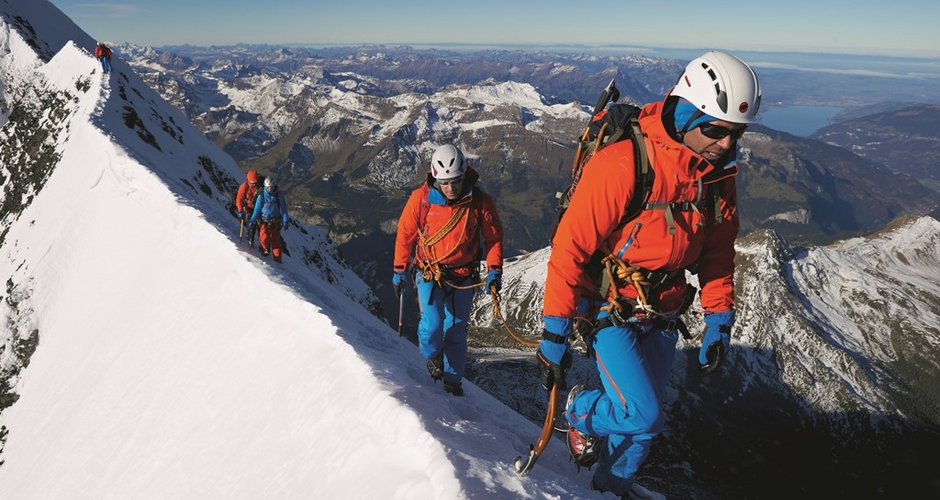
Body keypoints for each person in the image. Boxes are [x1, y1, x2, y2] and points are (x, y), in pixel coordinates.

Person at [539, 51, 760, 497]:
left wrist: (719, 316)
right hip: (610, 305)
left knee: (644, 423)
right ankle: (581, 411)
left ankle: (606, 488)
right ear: (685, 112)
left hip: (665, 307)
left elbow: (717, 250)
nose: (724, 144)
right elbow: (570, 249)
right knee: (643, 412)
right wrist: (555, 331)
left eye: (735, 135)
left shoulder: (717, 175)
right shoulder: (623, 164)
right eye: (714, 130)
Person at [393, 144, 503, 396]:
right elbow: (405, 234)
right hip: (430, 273)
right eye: (445, 183)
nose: (451, 188)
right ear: (434, 178)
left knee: (456, 330)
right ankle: (430, 358)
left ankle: (453, 381)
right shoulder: (420, 200)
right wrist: (400, 268)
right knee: (432, 324)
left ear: (464, 176)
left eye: (455, 182)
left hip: (463, 277)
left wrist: (495, 270)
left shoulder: (480, 203)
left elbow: (494, 239)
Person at [249, 177, 289, 263]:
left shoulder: (279, 195)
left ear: (274, 186)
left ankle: (277, 261)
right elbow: (257, 210)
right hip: (265, 221)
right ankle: (264, 253)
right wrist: (252, 221)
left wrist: (285, 220)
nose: (270, 189)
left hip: (276, 222)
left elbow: (284, 209)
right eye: (268, 187)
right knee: (264, 237)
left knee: (276, 242)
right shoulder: (262, 196)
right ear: (265, 187)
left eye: (271, 187)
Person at [235, 169, 263, 246]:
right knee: (251, 225)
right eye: (252, 183)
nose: (254, 184)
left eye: (255, 183)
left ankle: (263, 246)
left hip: (260, 208)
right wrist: (240, 210)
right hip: (249, 208)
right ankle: (250, 241)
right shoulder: (244, 187)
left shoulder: (261, 185)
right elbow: (239, 199)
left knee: (262, 227)